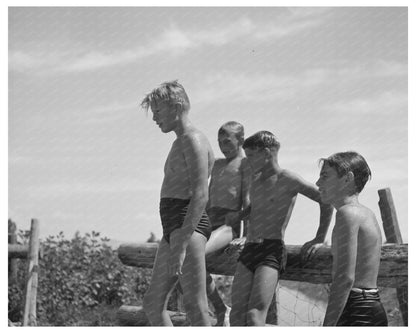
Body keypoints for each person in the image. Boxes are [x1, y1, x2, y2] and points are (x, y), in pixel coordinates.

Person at [228, 130, 334, 326]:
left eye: (251, 155)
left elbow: (325, 201)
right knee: (236, 314)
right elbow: (257, 207)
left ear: (267, 152)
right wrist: (240, 215)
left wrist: (319, 237)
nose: (247, 161)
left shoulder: (288, 178)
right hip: (249, 249)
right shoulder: (256, 180)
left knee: (254, 315)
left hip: (271, 250)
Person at [140, 80, 214, 326]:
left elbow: (201, 194)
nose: (154, 118)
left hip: (187, 226)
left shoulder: (194, 139)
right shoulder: (179, 141)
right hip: (173, 227)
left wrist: (182, 242)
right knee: (153, 303)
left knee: (195, 304)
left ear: (176, 106)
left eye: (158, 111)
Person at [316, 151, 388, 326]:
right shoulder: (365, 213)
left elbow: (345, 278)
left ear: (347, 179)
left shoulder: (347, 213)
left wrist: (327, 326)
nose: (318, 183)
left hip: (357, 310)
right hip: (369, 305)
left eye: (324, 176)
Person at [205, 121, 251, 326]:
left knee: (194, 254)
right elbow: (207, 197)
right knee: (179, 261)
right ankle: (219, 307)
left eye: (227, 141)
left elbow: (248, 200)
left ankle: (220, 310)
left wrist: (246, 234)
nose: (222, 145)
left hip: (227, 225)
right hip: (207, 221)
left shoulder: (245, 164)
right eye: (219, 141)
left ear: (241, 140)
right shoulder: (216, 164)